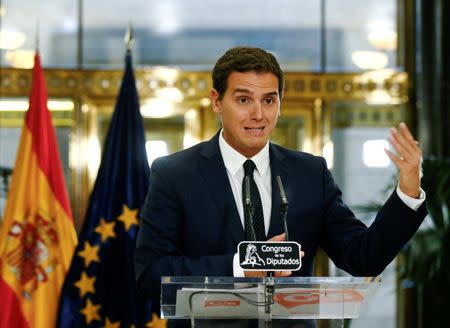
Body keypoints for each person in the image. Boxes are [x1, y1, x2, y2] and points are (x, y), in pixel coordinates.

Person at [134, 47, 427, 326]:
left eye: (269, 100)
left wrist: (408, 191)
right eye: (244, 100)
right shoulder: (174, 174)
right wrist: (242, 267)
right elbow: (150, 275)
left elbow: (363, 258)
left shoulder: (310, 173)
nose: (258, 114)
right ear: (216, 101)